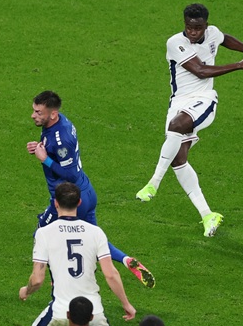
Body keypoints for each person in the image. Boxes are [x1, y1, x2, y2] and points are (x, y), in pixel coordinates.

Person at [135, 3, 243, 237]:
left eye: (198, 28)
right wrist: (239, 66)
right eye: (189, 27)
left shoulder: (212, 33)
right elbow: (200, 70)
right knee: (178, 159)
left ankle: (153, 182)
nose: (193, 32)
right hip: (178, 102)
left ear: (205, 26)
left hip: (204, 99)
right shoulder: (175, 43)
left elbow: (224, 38)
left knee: (177, 126)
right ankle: (208, 215)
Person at [9, 182, 136, 326]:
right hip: (93, 313)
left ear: (55, 204)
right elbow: (110, 274)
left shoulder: (44, 233)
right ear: (79, 203)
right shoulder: (95, 233)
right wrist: (126, 304)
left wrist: (26, 291)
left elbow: (37, 279)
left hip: (60, 313)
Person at [29, 90, 155, 288]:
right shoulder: (60, 123)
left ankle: (55, 280)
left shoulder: (62, 139)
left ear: (52, 114)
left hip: (69, 198)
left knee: (43, 232)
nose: (33, 115)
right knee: (95, 240)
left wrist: (45, 159)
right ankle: (126, 260)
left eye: (38, 112)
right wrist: (39, 147)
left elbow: (68, 174)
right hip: (87, 191)